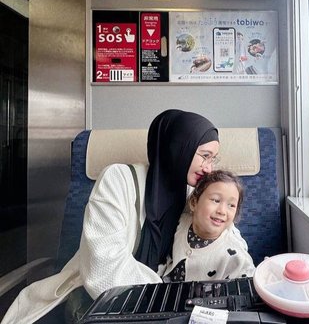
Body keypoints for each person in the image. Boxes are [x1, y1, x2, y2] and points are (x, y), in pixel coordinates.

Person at [1, 109, 220, 324]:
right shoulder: (118, 179)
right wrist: (168, 295)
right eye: (205, 156)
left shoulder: (192, 194)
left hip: (163, 304)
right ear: (179, 146)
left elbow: (223, 242)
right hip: (106, 300)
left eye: (214, 159)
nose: (209, 168)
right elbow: (104, 266)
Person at [160, 170, 255, 282]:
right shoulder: (181, 222)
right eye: (216, 200)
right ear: (194, 203)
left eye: (231, 205)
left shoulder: (235, 255)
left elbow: (249, 279)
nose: (222, 211)